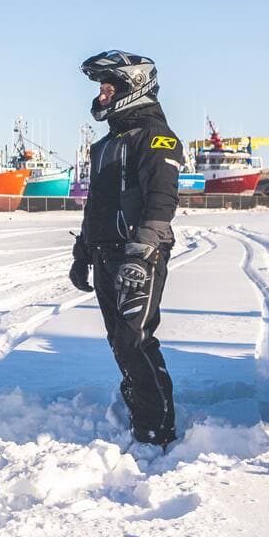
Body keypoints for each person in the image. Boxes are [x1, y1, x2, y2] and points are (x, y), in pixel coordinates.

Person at [70, 49, 184, 447]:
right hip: (104, 253)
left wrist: (142, 250)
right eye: (101, 89)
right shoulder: (105, 145)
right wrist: (82, 253)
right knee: (117, 336)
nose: (102, 97)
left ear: (133, 86)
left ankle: (158, 429)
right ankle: (138, 404)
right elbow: (97, 205)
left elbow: (161, 197)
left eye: (108, 88)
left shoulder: (156, 136)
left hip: (139, 254)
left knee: (135, 339)